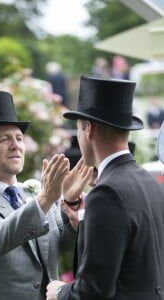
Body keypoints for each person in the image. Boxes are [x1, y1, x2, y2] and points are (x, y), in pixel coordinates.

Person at [0, 91, 91, 300]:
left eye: (19, 138)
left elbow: (61, 243)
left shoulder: (35, 191)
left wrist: (71, 208)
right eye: (4, 139)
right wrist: (45, 200)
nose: (16, 146)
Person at [46, 75, 164, 299]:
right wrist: (82, 221)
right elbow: (134, 251)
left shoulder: (106, 192)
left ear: (88, 129)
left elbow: (93, 291)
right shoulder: (150, 182)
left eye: (78, 130)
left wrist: (59, 292)